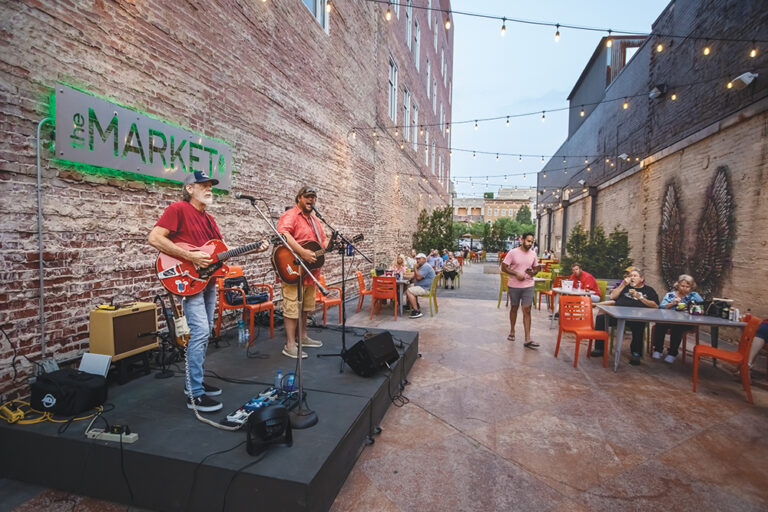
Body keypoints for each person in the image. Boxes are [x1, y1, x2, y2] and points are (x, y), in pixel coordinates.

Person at [148, 171, 268, 413]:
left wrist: (254, 249)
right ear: (190, 189)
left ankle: (195, 383)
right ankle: (194, 392)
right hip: (189, 281)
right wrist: (190, 256)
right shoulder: (178, 209)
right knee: (201, 332)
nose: (208, 188)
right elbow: (155, 238)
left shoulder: (209, 220)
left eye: (210, 185)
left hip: (208, 282)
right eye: (202, 185)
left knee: (205, 332)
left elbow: (220, 252)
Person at [277, 186, 328, 359]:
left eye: (314, 197)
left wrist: (338, 244)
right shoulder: (291, 215)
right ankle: (290, 344)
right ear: (299, 198)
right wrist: (302, 252)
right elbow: (283, 234)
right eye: (307, 196)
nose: (311, 200)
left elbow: (323, 242)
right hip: (292, 269)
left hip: (310, 272)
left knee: (305, 307)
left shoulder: (315, 221)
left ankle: (303, 337)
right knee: (292, 307)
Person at [592, 268, 659, 365]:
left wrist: (640, 297)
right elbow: (612, 297)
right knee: (601, 318)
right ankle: (599, 348)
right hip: (618, 316)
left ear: (642, 278)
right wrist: (623, 284)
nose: (632, 278)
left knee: (639, 324)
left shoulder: (649, 290)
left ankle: (636, 353)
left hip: (636, 318)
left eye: (635, 276)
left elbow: (655, 305)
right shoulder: (624, 287)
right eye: (630, 276)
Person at [650, 274, 704, 363]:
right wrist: (672, 303)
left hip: (686, 322)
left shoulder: (694, 296)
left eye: (687, 286)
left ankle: (672, 353)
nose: (684, 288)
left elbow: (703, 307)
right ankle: (658, 349)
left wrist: (695, 309)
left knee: (677, 326)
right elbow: (662, 307)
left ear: (691, 287)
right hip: (669, 320)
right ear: (678, 285)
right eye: (682, 286)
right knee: (660, 323)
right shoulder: (670, 295)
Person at [501, 232, 540, 349]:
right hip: (514, 285)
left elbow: (536, 268)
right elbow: (504, 267)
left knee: (527, 309)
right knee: (514, 308)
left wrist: (533, 272)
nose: (530, 244)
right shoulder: (513, 252)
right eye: (528, 241)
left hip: (528, 284)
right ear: (522, 240)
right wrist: (516, 273)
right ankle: (512, 330)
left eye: (532, 242)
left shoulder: (533, 254)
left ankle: (527, 338)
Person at [406, 253, 435, 318]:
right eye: (417, 259)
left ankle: (416, 311)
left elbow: (418, 278)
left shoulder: (426, 266)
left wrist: (415, 268)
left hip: (426, 289)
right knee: (409, 286)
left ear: (424, 259)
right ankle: (413, 305)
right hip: (425, 286)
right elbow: (415, 277)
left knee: (409, 291)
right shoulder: (423, 266)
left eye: (419, 259)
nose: (417, 260)